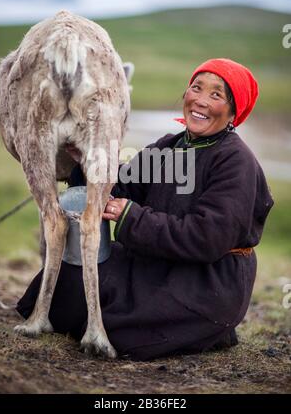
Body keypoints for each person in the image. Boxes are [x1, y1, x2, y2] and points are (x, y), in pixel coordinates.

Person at [17, 58, 274, 361]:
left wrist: (130, 217)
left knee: (122, 326)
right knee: (68, 275)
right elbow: (122, 183)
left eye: (216, 95)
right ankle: (192, 330)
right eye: (196, 88)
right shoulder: (170, 146)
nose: (201, 101)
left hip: (206, 282)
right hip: (159, 263)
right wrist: (86, 161)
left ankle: (211, 329)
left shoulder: (236, 162)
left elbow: (208, 237)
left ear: (233, 111)